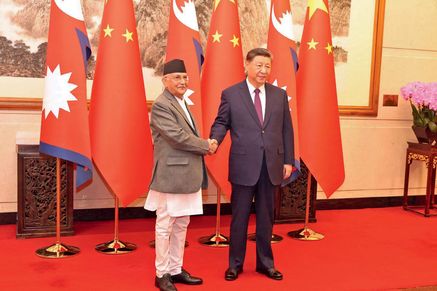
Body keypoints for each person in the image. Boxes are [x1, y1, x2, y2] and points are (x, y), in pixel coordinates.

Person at [209, 48, 294, 281]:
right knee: (240, 218)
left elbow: (287, 129)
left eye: (267, 66)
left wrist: (288, 160)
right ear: (246, 65)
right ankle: (235, 264)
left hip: (272, 164)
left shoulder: (278, 95)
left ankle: (265, 264)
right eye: (259, 65)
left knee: (267, 218)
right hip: (244, 165)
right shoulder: (231, 94)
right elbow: (221, 122)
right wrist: (214, 139)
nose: (263, 70)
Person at [145, 59, 216, 291]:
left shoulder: (181, 101)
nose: (183, 81)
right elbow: (176, 136)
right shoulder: (161, 105)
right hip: (171, 174)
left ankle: (175, 269)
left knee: (182, 222)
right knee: (165, 224)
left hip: (187, 173)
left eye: (185, 77)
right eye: (177, 77)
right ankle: (161, 273)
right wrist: (206, 145)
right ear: (165, 81)